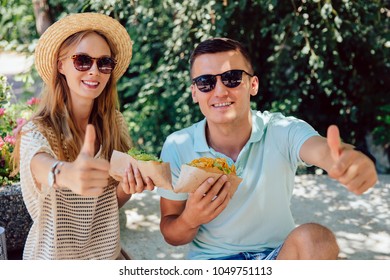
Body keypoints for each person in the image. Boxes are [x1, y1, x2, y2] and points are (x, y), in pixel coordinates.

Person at [157, 37, 378, 260]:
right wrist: (191, 219)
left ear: (253, 85)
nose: (220, 91)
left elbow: (320, 150)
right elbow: (172, 233)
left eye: (232, 78)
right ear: (195, 93)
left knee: (316, 238)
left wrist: (347, 160)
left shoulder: (282, 129)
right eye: (206, 82)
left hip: (277, 257)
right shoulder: (178, 145)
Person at [12, 13, 154, 260]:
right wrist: (65, 173)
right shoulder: (36, 130)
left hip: (106, 257)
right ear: (61, 65)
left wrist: (127, 186)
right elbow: (39, 163)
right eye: (83, 61)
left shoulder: (115, 124)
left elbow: (107, 207)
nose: (94, 71)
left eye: (104, 62)